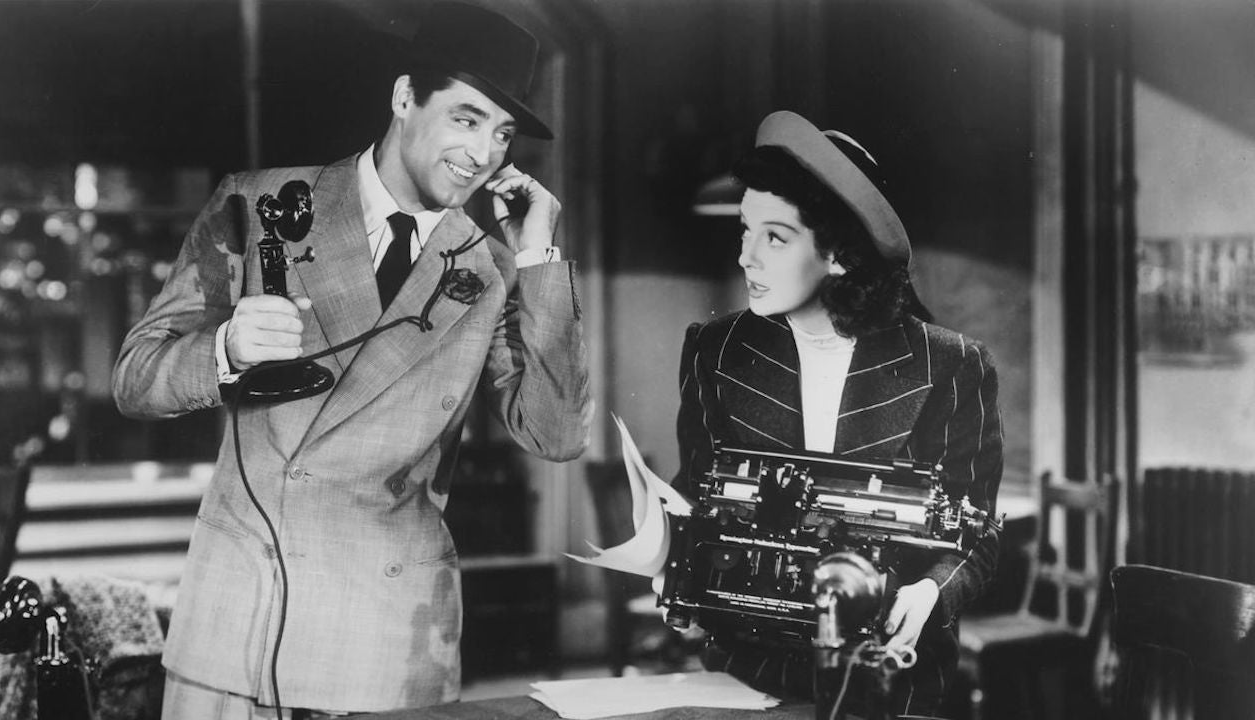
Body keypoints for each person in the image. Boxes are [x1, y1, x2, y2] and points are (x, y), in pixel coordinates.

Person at [111, 3, 591, 717]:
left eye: (503, 133)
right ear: (404, 98)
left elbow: (555, 434)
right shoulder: (259, 203)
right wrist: (226, 350)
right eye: (466, 118)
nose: (484, 152)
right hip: (241, 622)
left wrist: (538, 254)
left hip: (384, 638)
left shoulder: (492, 268)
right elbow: (135, 379)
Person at [672, 111, 1002, 717]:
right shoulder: (717, 351)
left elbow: (978, 532)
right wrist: (668, 553)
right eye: (745, 230)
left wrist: (932, 591)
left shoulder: (951, 364)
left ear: (840, 256)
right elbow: (694, 490)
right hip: (744, 677)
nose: (746, 256)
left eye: (775, 237)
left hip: (892, 683)